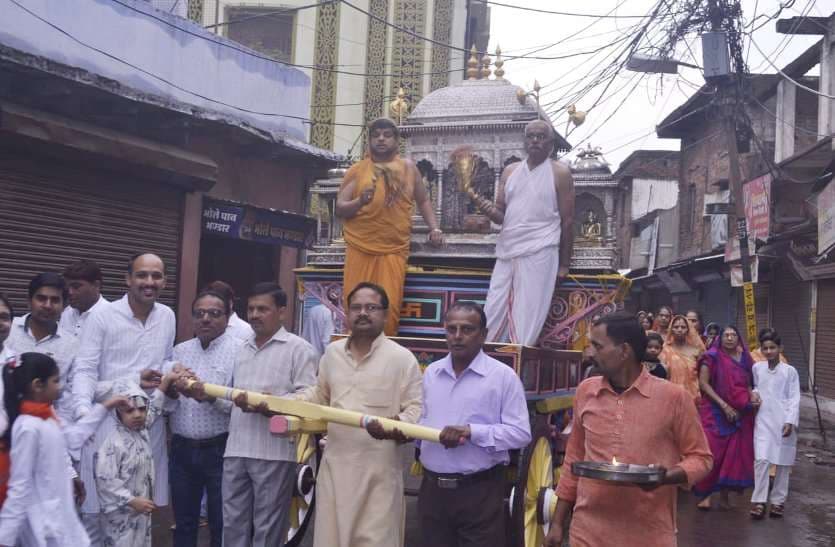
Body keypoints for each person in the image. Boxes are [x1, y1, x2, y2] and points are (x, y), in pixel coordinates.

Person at [544, 313, 712, 547]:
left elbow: (702, 459)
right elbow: (574, 460)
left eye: (598, 346)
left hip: (649, 533)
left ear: (624, 351)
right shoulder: (586, 391)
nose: (590, 353)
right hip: (588, 531)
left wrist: (666, 477)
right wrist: (558, 523)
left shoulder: (674, 398)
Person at [296, 282, 423, 547]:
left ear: (385, 314)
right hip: (335, 469)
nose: (363, 313)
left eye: (371, 307)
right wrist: (280, 403)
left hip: (378, 475)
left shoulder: (402, 359)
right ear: (347, 312)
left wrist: (395, 426)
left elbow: (415, 409)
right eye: (356, 307)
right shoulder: (332, 354)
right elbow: (319, 395)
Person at [72, 253, 176, 545]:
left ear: (164, 281)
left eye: (156, 276)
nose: (149, 282)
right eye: (142, 275)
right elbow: (85, 370)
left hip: (147, 427)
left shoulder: (167, 316)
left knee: (142, 511)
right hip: (107, 428)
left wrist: (173, 375)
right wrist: (84, 415)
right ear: (128, 279)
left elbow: (165, 360)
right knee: (98, 514)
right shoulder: (102, 317)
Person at [417, 301, 530, 547]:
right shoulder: (431, 374)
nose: (458, 336)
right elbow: (421, 424)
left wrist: (472, 432)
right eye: (451, 329)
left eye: (467, 329)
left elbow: (520, 434)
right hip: (432, 492)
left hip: (479, 492)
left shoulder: (502, 377)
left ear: (483, 335)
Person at [221, 282, 317, 547]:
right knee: (232, 523)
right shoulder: (241, 348)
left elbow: (310, 395)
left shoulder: (299, 349)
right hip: (236, 448)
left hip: (273, 451)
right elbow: (230, 397)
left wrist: (273, 404)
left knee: (268, 527)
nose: (254, 314)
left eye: (262, 309)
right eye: (251, 309)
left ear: (282, 312)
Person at [0, 352, 127, 547]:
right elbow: (20, 485)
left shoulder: (48, 416)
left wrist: (106, 406)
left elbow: (74, 437)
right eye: (56, 381)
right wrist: (5, 538)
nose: (60, 387)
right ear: (37, 385)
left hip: (61, 518)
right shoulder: (28, 427)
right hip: (43, 526)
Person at [336, 118, 443, 335]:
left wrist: (434, 228)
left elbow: (422, 201)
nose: (381, 139)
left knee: (389, 308)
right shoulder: (357, 171)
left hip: (393, 249)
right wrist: (360, 202)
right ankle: (354, 361)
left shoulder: (409, 168)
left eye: (387, 135)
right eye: (376, 135)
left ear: (396, 140)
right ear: (369, 141)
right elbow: (339, 208)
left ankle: (383, 360)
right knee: (356, 306)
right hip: (360, 247)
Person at [473, 120, 575, 346]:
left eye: (541, 137)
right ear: (524, 141)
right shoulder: (511, 171)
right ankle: (489, 355)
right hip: (508, 249)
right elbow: (501, 215)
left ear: (551, 143)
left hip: (541, 249)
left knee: (528, 310)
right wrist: (484, 206)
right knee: (494, 304)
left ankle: (518, 358)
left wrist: (564, 264)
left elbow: (567, 222)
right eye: (531, 136)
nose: (535, 141)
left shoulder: (560, 173)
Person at [167, 291, 239, 547]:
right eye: (200, 314)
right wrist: (171, 389)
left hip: (220, 449)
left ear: (228, 317)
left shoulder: (240, 351)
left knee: (221, 521)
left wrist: (208, 396)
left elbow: (240, 407)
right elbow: (166, 403)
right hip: (181, 449)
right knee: (184, 522)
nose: (206, 319)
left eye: (214, 314)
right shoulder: (180, 351)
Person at [96, 375, 180, 547]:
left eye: (142, 409)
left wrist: (164, 385)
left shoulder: (141, 432)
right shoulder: (113, 444)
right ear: (117, 413)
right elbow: (106, 482)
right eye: (130, 410)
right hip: (120, 518)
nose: (137, 415)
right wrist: (131, 501)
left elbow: (154, 407)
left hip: (141, 513)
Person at [694, 326, 757, 510]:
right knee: (713, 452)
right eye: (726, 335)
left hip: (739, 412)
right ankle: (705, 495)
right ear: (720, 338)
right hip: (714, 410)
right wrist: (724, 406)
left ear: (739, 338)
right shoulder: (711, 356)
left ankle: (724, 496)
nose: (730, 338)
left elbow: (749, 384)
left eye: (733, 335)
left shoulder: (744, 358)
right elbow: (704, 384)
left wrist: (752, 397)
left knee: (732, 455)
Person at [7, 273, 78, 422]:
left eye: (55, 300)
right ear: (29, 301)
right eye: (41, 298)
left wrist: (59, 428)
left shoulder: (72, 345)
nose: (47, 305)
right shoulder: (8, 331)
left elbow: (68, 396)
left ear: (64, 306)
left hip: (44, 426)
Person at [750, 329, 800, 520]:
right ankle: (759, 501)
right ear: (761, 350)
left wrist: (790, 421)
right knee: (761, 461)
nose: (769, 351)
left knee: (783, 463)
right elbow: (755, 386)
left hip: (784, 422)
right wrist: (754, 394)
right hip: (763, 420)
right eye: (765, 348)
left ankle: (778, 501)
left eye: (772, 347)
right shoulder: (758, 368)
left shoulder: (790, 372)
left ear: (780, 348)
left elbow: (794, 398)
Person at [60, 260, 109, 339]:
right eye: (67, 287)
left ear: (96, 285)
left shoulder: (112, 316)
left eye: (76, 287)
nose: (70, 292)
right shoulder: (66, 313)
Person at [660, 315, 705, 402]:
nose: (679, 330)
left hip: (693, 397)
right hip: (670, 396)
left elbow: (702, 376)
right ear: (671, 329)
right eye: (676, 327)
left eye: (683, 327)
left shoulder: (696, 350)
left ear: (688, 330)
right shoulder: (664, 350)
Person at [302, 285, 341, 359]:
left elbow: (305, 332)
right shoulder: (331, 313)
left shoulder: (313, 309)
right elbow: (326, 340)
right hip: (319, 357)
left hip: (306, 355)